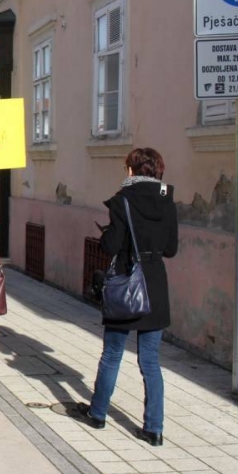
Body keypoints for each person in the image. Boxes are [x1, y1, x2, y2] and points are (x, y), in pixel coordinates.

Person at [78, 148, 178, 447]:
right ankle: (154, 429)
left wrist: (108, 233)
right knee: (150, 361)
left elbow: (110, 245)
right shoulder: (167, 200)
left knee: (112, 354)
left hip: (126, 281)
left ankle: (97, 414)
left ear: (132, 170)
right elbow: (171, 249)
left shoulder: (123, 200)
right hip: (155, 284)